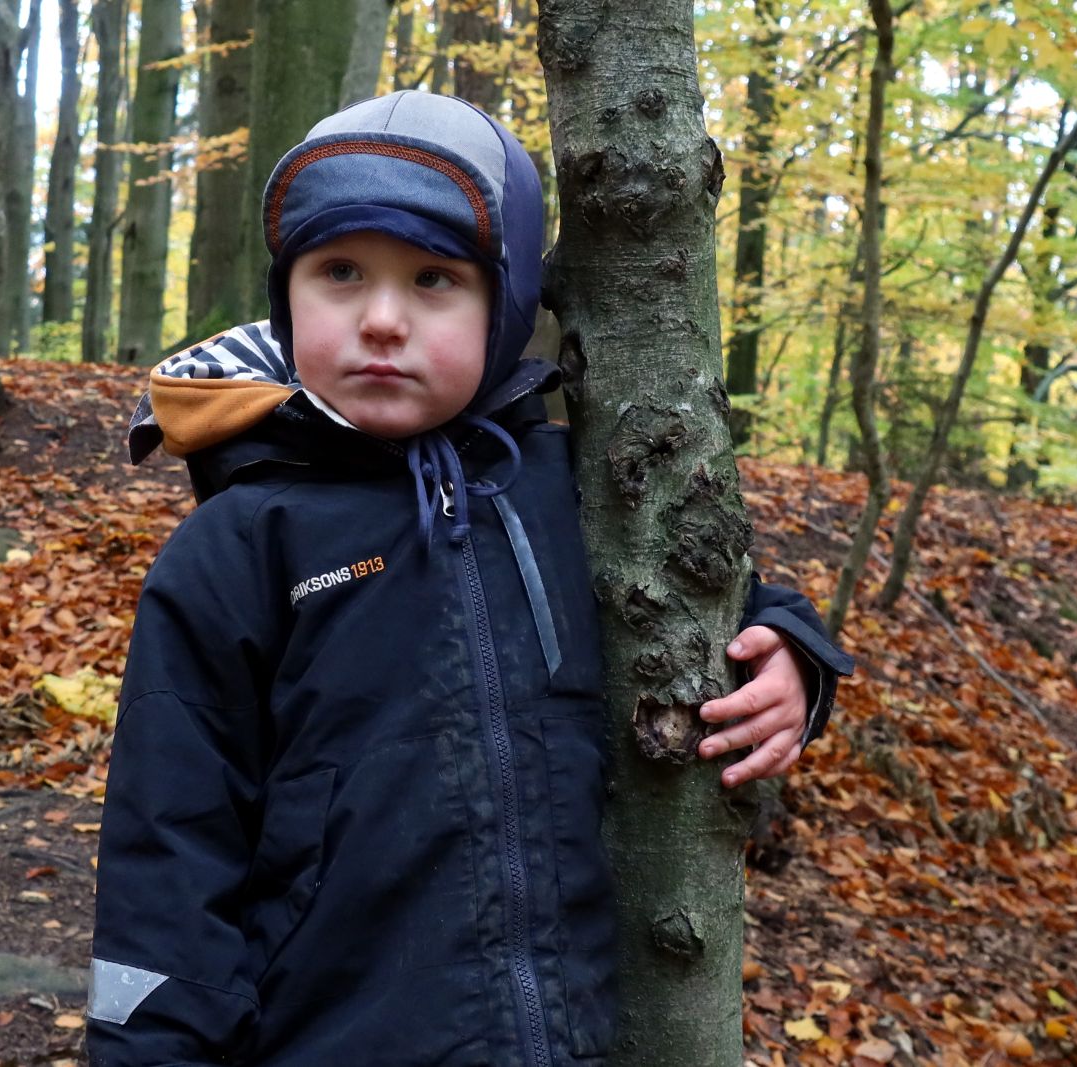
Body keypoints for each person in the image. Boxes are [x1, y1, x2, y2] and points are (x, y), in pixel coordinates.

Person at [87, 90, 853, 1067]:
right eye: (339, 272)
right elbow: (168, 842)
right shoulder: (239, 545)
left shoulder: (584, 490)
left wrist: (789, 657)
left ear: (505, 307)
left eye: (433, 278)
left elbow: (713, 601)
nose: (381, 319)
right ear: (287, 297)